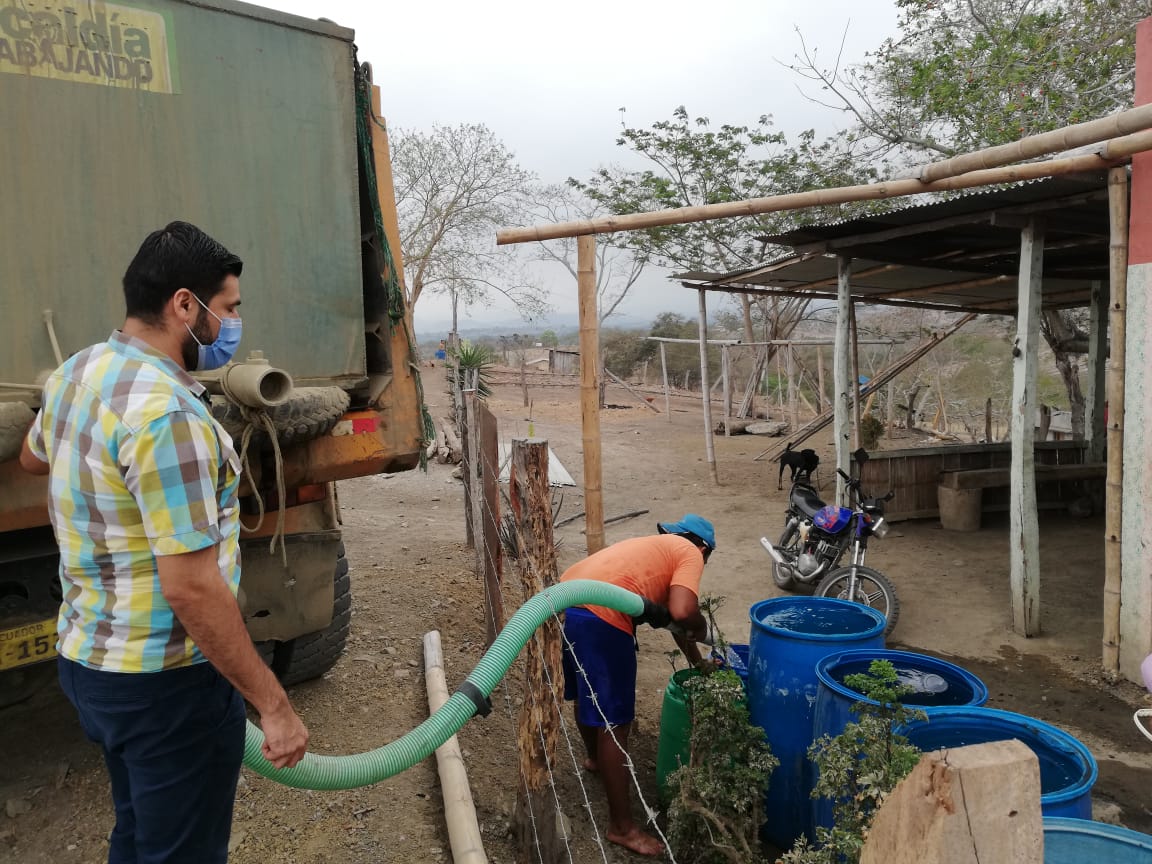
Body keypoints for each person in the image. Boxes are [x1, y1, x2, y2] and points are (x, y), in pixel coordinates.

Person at [18, 221, 309, 864]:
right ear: (184, 305)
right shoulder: (168, 416)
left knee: (141, 832)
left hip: (89, 662)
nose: (233, 324)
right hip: (164, 686)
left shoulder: (77, 372)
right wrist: (274, 705)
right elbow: (192, 587)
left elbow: (33, 458)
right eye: (228, 307)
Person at [558, 514, 716, 858]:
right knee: (615, 723)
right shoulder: (689, 552)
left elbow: (675, 624)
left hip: (569, 601)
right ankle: (622, 827)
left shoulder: (656, 549)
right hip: (603, 614)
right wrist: (702, 626)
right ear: (704, 549)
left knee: (588, 693)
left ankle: (595, 759)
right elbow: (684, 612)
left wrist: (700, 663)